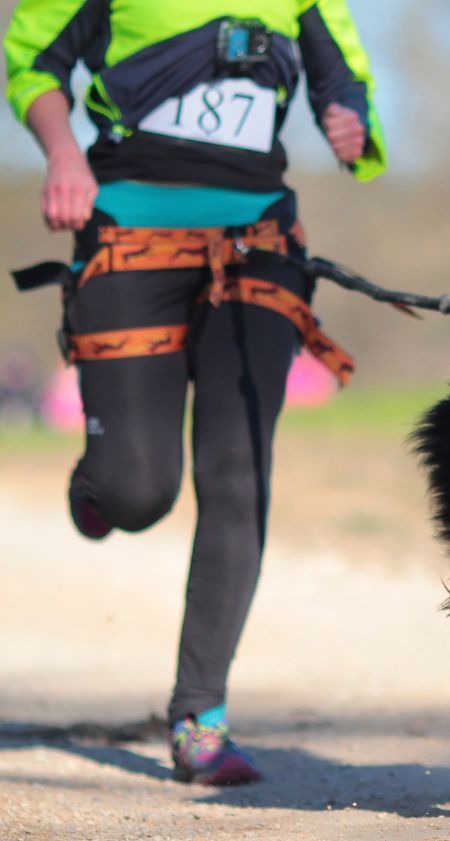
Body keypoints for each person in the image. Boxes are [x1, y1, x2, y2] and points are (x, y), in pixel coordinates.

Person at [5, 0, 386, 785]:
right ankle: (103, 483)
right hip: (125, 234)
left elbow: (343, 82)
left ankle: (199, 717)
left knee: (236, 470)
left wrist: (349, 121)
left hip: (257, 244)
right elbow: (31, 58)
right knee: (139, 491)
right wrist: (62, 153)